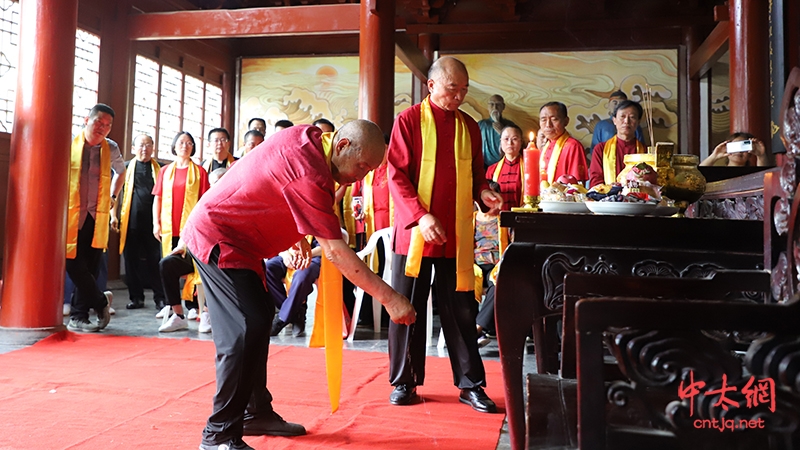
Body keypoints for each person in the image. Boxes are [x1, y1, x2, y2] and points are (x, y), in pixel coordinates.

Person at [178, 121, 416, 450]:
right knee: (244, 329)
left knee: (259, 318)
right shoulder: (311, 169)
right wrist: (390, 298)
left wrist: (297, 234)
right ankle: (218, 433)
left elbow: (273, 180)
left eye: (370, 170)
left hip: (243, 243)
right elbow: (334, 250)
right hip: (217, 235)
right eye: (362, 165)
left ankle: (255, 413)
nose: (361, 176)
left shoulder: (313, 141)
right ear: (343, 144)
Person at [386, 56, 504, 413]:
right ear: (432, 85)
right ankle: (404, 381)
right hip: (416, 235)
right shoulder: (407, 121)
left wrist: (483, 193)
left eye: (464, 90)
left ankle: (471, 384)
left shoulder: (469, 126)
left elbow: (477, 176)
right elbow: (396, 176)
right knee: (407, 308)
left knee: (461, 311)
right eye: (454, 89)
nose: (459, 97)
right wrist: (420, 217)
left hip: (455, 234)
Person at [65, 103, 125, 333]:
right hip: (71, 213)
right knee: (70, 261)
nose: (103, 128)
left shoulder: (111, 148)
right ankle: (100, 301)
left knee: (90, 264)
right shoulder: (70, 143)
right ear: (86, 119)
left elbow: (121, 171)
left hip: (96, 213)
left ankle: (79, 317)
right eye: (99, 122)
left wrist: (112, 197)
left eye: (108, 125)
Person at [153, 131, 210, 332]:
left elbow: (204, 202)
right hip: (170, 230)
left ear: (193, 147)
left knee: (197, 268)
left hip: (193, 233)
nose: (184, 146)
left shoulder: (199, 172)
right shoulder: (165, 171)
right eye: (181, 142)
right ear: (174, 146)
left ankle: (201, 310)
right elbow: (158, 197)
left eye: (189, 143)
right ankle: (178, 314)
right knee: (166, 265)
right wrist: (156, 223)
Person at [120, 133, 167, 310]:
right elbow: (115, 195)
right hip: (131, 222)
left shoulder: (161, 169)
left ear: (153, 148)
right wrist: (114, 216)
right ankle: (136, 297)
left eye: (148, 145)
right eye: (140, 145)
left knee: (156, 260)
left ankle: (160, 298)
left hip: (154, 223)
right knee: (131, 260)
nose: (144, 149)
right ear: (133, 148)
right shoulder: (125, 168)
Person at [266, 237, 321, 338]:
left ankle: (282, 319)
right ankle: (295, 313)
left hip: (313, 256)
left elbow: (326, 247)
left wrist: (305, 255)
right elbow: (275, 241)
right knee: (267, 269)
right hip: (288, 255)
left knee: (302, 275)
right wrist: (284, 254)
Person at [588, 100, 646, 188]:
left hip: (637, 200)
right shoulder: (600, 149)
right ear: (614, 120)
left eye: (632, 117)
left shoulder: (645, 152)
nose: (626, 121)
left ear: (638, 122)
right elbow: (596, 182)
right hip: (608, 199)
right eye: (622, 116)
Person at [539, 101, 588, 184]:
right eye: (543, 120)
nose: (548, 125)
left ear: (566, 121)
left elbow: (576, 185)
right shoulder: (546, 146)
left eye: (554, 119)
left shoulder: (573, 146)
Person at [485, 124, 524, 209]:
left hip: (523, 216)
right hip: (499, 216)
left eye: (514, 139)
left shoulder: (529, 168)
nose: (510, 143)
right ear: (501, 141)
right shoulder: (492, 170)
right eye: (506, 139)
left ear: (521, 142)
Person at [477, 94, 516, 168]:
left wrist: (504, 132)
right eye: (492, 104)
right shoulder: (481, 125)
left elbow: (516, 146)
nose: (495, 107)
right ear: (488, 107)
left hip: (504, 165)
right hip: (483, 165)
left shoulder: (510, 125)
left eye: (498, 105)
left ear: (503, 107)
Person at [700, 132, 771, 167]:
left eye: (744, 148)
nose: (739, 151)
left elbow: (764, 177)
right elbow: (698, 174)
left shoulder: (752, 172)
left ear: (750, 154)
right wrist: (714, 156)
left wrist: (761, 155)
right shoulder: (719, 172)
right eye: (735, 147)